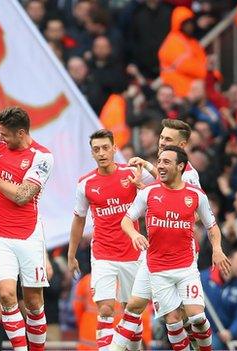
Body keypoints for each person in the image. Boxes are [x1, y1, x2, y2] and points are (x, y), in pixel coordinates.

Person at [112, 146, 231, 351]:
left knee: (198, 318)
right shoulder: (149, 192)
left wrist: (217, 249)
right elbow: (126, 220)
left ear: (180, 166)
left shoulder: (195, 195)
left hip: (185, 267)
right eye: (159, 161)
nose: (161, 166)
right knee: (173, 321)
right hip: (158, 268)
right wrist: (135, 234)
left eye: (166, 162)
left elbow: (212, 226)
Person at [0, 107, 54, 351]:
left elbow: (23, 196)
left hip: (28, 236)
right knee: (5, 295)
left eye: (4, 134)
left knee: (34, 303)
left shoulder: (42, 157)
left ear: (21, 133)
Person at [68, 129, 154, 350]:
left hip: (132, 253)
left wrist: (145, 177)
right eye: (96, 149)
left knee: (130, 311)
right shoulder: (85, 183)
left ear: (115, 148)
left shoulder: (132, 173)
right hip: (103, 254)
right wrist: (71, 254)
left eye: (106, 148)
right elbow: (79, 219)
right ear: (92, 153)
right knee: (105, 309)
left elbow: (166, 183)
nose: (102, 153)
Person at [200, 249, 237, 349]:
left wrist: (231, 332)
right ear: (229, 260)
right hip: (200, 331)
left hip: (223, 335)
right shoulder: (202, 279)